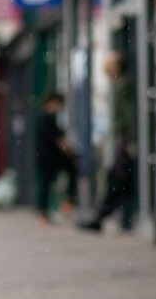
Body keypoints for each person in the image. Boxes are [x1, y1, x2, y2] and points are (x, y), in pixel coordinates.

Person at [79, 52, 137, 232]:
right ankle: (109, 215)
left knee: (116, 177)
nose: (105, 67)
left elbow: (128, 114)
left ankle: (103, 216)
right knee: (118, 178)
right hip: (119, 139)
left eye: (110, 63)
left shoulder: (122, 85)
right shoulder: (115, 85)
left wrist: (129, 138)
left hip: (124, 140)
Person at [33, 91, 77, 224]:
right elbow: (58, 139)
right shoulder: (48, 118)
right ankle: (65, 203)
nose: (59, 108)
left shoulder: (42, 117)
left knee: (45, 185)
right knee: (69, 170)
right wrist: (70, 151)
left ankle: (44, 213)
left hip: (46, 156)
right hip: (50, 157)